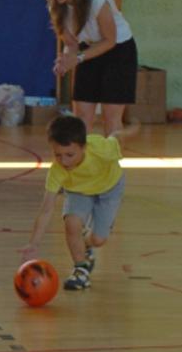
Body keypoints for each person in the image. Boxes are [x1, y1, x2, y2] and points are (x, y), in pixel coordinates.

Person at [20, 115, 134, 291]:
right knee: (72, 223)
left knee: (98, 239)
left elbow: (116, 139)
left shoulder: (100, 148)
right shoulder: (57, 171)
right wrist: (33, 243)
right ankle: (81, 269)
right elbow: (46, 210)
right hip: (78, 191)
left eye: (69, 155)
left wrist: (129, 131)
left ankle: (86, 244)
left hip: (109, 188)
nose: (64, 161)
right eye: (58, 155)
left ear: (84, 147)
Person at [42, 0, 138, 136]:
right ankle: (82, 161)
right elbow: (71, 43)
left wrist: (77, 58)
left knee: (111, 115)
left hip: (119, 51)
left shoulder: (97, 1)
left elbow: (110, 41)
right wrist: (64, 61)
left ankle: (111, 162)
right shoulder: (55, 7)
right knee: (82, 113)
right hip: (88, 51)